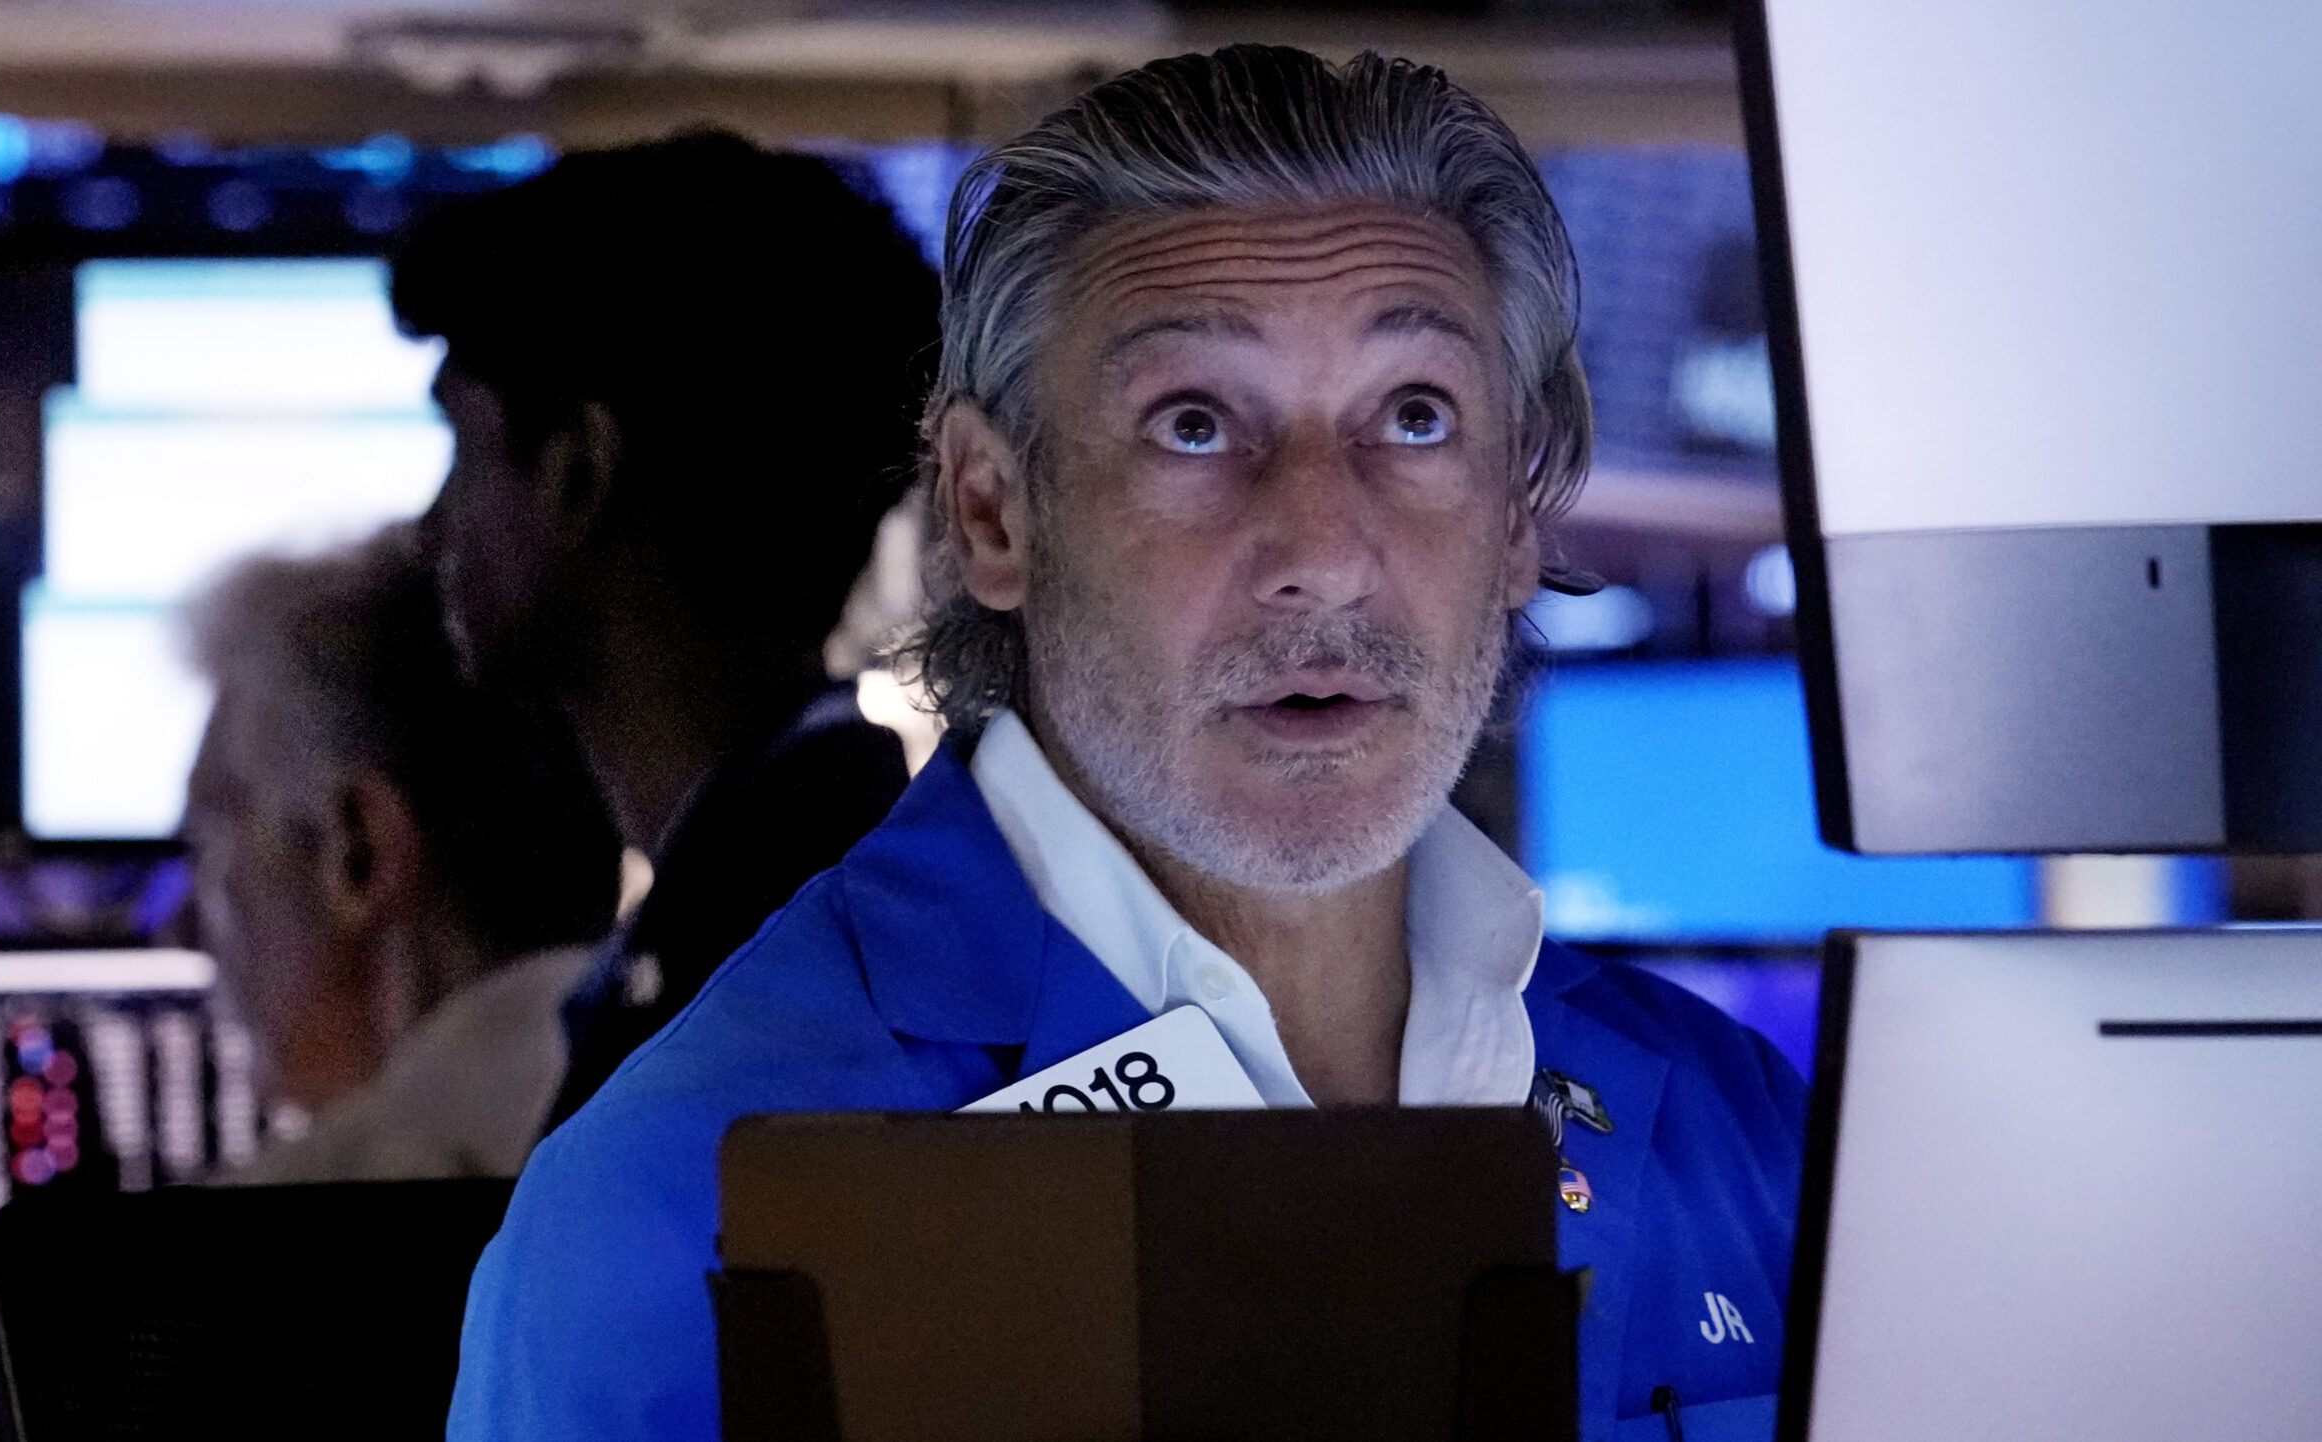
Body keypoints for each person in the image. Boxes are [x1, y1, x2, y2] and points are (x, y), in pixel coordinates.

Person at [449, 47, 1805, 1442]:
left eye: (1414, 416)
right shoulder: (677, 1207)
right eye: (1197, 424)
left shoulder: (1744, 1132)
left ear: (1520, 512)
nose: (1325, 554)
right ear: (991, 511)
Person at [389, 131, 936, 1130]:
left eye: (461, 452)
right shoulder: (835, 882)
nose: (432, 529)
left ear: (578, 472)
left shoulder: (750, 961)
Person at [182, 524, 623, 1182]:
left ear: (362, 850)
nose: (178, 923)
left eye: (211, 844)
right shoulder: (745, 1150)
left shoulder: (218, 1257)